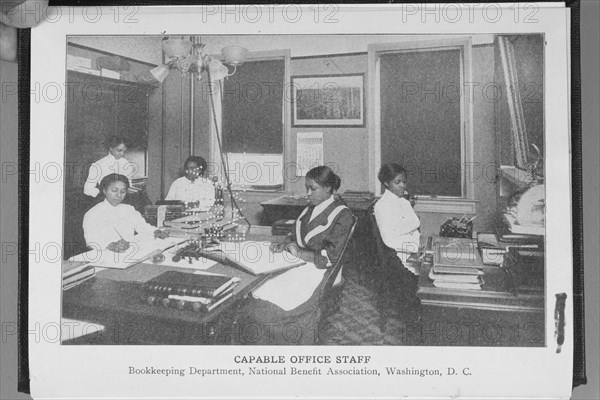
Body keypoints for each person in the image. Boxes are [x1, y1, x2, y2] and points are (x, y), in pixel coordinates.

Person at [238, 166, 355, 345]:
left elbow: (328, 258)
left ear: (328, 188)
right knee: (258, 290)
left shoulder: (342, 215)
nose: (308, 193)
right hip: (301, 265)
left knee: (268, 304)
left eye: (313, 189)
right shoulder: (310, 208)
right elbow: (295, 233)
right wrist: (286, 244)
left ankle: (280, 340)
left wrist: (299, 252)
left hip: (320, 271)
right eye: (306, 187)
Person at [373, 163, 421, 316]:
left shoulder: (404, 202)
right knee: (420, 280)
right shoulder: (381, 206)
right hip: (394, 254)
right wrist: (413, 246)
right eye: (397, 182)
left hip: (407, 248)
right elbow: (389, 239)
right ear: (386, 183)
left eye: (404, 181)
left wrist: (407, 235)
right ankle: (414, 319)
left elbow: (416, 223)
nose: (402, 185)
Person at [83, 174, 168, 253]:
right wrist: (111, 245)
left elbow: (142, 226)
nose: (119, 195)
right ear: (104, 191)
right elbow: (91, 241)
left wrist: (155, 231)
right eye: (114, 190)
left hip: (130, 252)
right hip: (106, 254)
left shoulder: (128, 209)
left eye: (123, 191)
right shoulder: (92, 214)